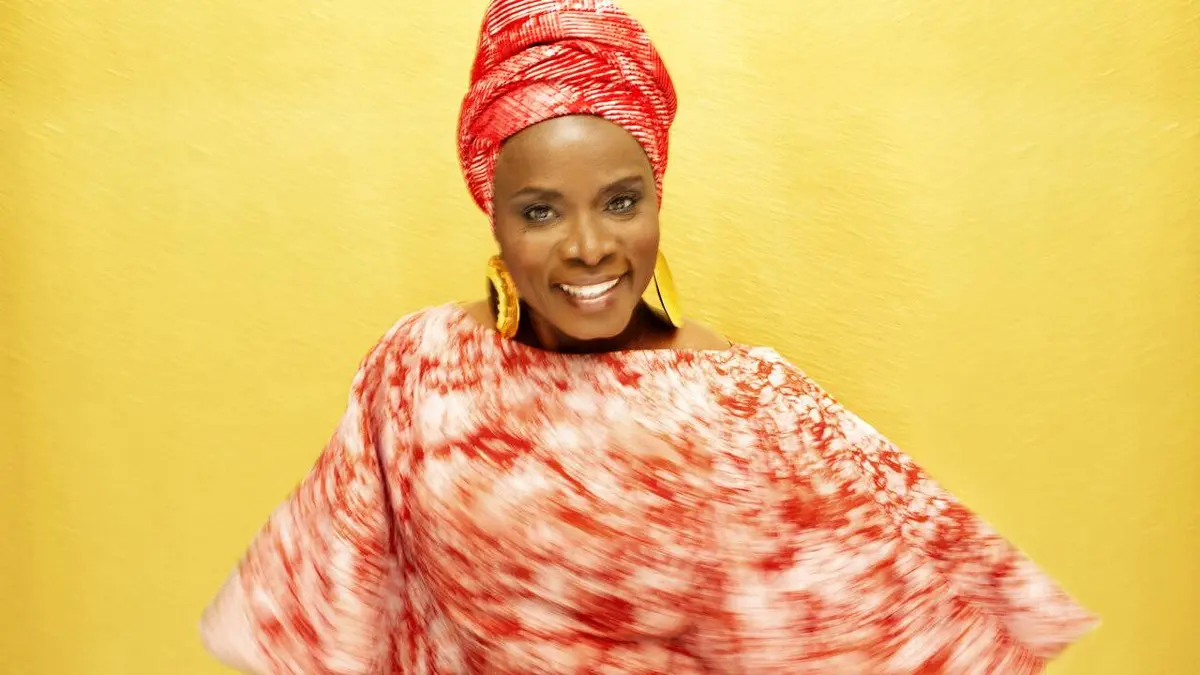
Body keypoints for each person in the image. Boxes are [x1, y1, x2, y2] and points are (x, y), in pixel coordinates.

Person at [199, 0, 1096, 672]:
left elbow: (878, 630)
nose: (589, 246)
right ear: (492, 212)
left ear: (656, 196)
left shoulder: (740, 404)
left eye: (621, 202)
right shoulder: (417, 368)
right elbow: (332, 604)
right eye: (540, 210)